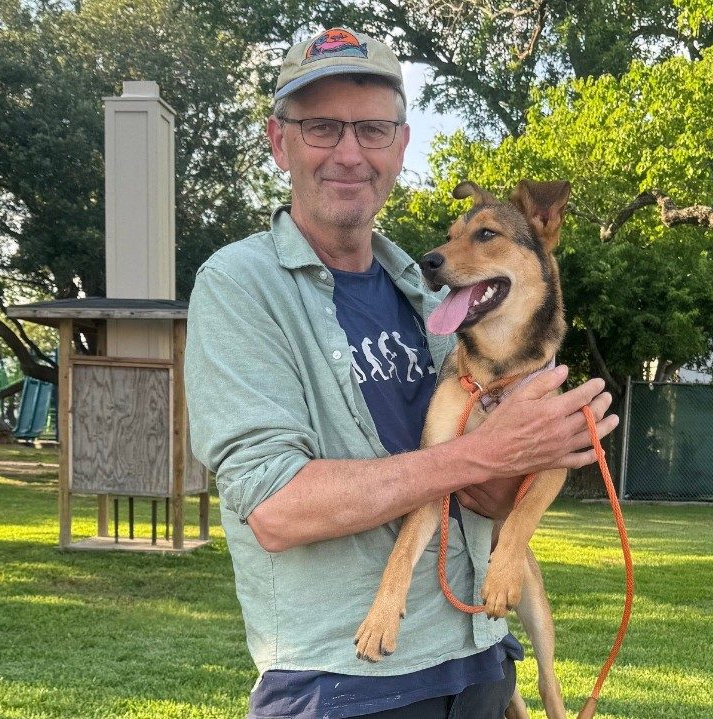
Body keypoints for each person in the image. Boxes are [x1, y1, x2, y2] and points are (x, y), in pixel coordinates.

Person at [185, 27, 617, 719]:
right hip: (346, 684)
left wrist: (540, 451)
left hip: (481, 662)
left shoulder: (435, 297)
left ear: (400, 145)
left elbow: (482, 495)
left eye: (372, 129)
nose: (349, 152)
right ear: (279, 142)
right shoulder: (240, 286)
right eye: (322, 127)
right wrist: (486, 452)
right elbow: (276, 508)